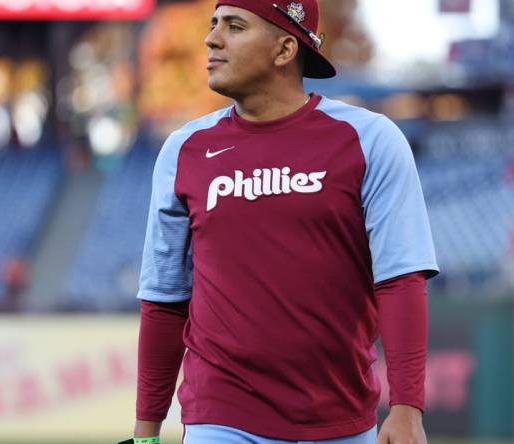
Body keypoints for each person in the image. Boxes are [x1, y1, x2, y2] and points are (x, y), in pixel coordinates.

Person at [131, 1, 439, 443]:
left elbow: (400, 278)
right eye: (214, 24)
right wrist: (145, 434)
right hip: (220, 416)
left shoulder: (371, 139)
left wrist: (407, 408)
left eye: (234, 27)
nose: (211, 39)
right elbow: (164, 298)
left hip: (340, 418)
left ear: (284, 50)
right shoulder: (184, 151)